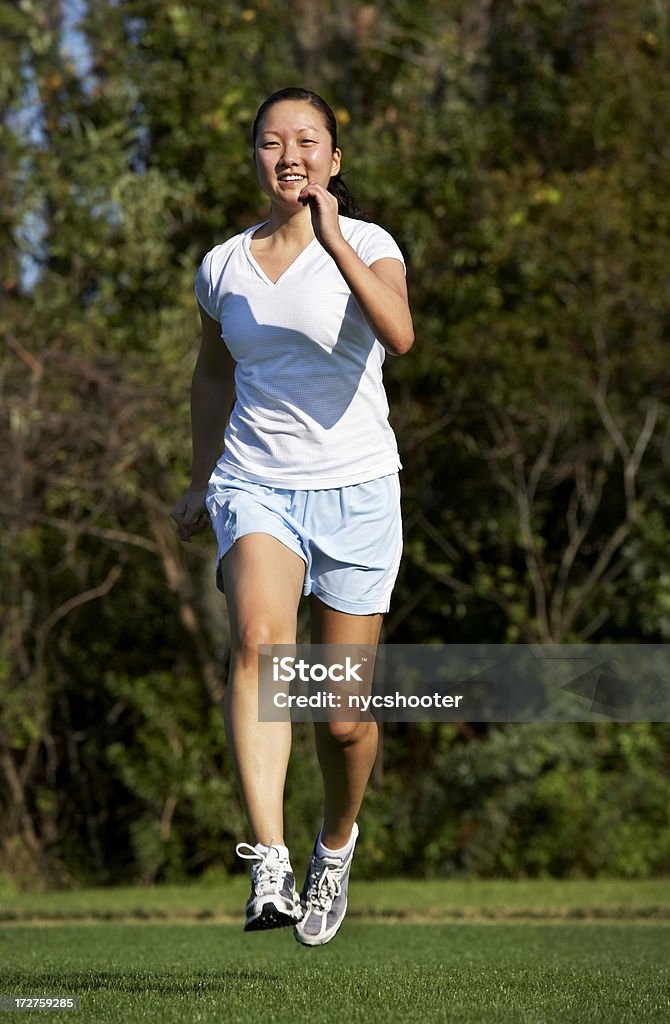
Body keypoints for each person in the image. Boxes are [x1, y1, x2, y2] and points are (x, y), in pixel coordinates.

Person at [171, 87, 414, 947]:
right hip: (256, 483)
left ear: (334, 160)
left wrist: (336, 237)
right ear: (256, 159)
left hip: (356, 489)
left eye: (308, 141)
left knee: (344, 718)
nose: (290, 156)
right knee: (260, 646)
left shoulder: (373, 245)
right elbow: (211, 375)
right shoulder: (222, 266)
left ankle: (333, 845)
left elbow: (399, 332)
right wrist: (204, 480)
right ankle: (268, 861)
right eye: (272, 143)